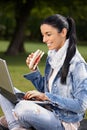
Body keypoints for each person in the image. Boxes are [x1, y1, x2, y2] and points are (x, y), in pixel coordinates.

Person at [0, 14, 87, 130]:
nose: (44, 40)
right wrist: (34, 70)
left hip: (64, 121)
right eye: (43, 35)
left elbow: (81, 105)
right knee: (3, 89)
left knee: (22, 108)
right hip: (47, 109)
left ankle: (14, 122)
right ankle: (16, 125)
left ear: (63, 32)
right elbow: (45, 90)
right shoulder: (53, 57)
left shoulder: (77, 64)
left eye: (48, 34)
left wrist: (46, 97)